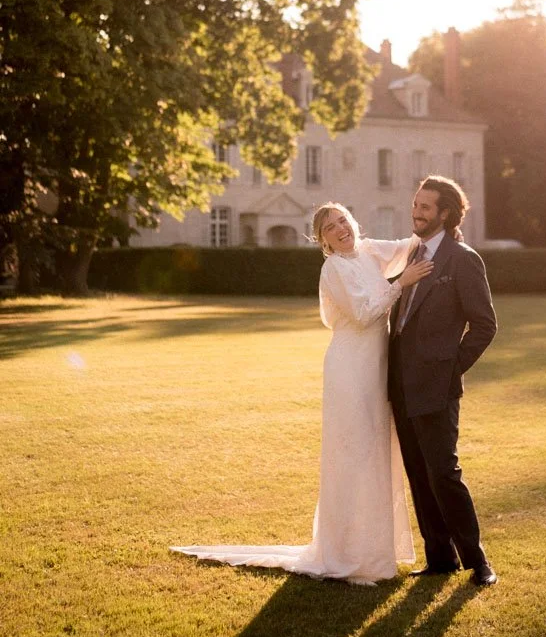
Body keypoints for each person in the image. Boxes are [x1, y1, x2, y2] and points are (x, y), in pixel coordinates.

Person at [171, 203, 433, 585]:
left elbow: (410, 244)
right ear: (322, 239)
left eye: (344, 219)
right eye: (330, 227)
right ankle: (347, 552)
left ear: (353, 221)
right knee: (352, 453)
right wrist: (401, 283)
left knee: (374, 452)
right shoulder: (334, 268)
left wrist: (434, 222)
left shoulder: (371, 250)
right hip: (349, 369)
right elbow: (363, 313)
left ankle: (374, 550)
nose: (341, 228)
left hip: (377, 369)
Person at [388, 175, 498, 586]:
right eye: (415, 204)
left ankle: (478, 561)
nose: (416, 212)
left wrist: (451, 368)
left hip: (437, 385)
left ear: (445, 213)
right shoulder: (407, 253)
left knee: (443, 474)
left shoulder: (463, 259)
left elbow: (485, 325)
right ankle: (439, 558)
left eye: (425, 207)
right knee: (418, 472)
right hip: (399, 383)